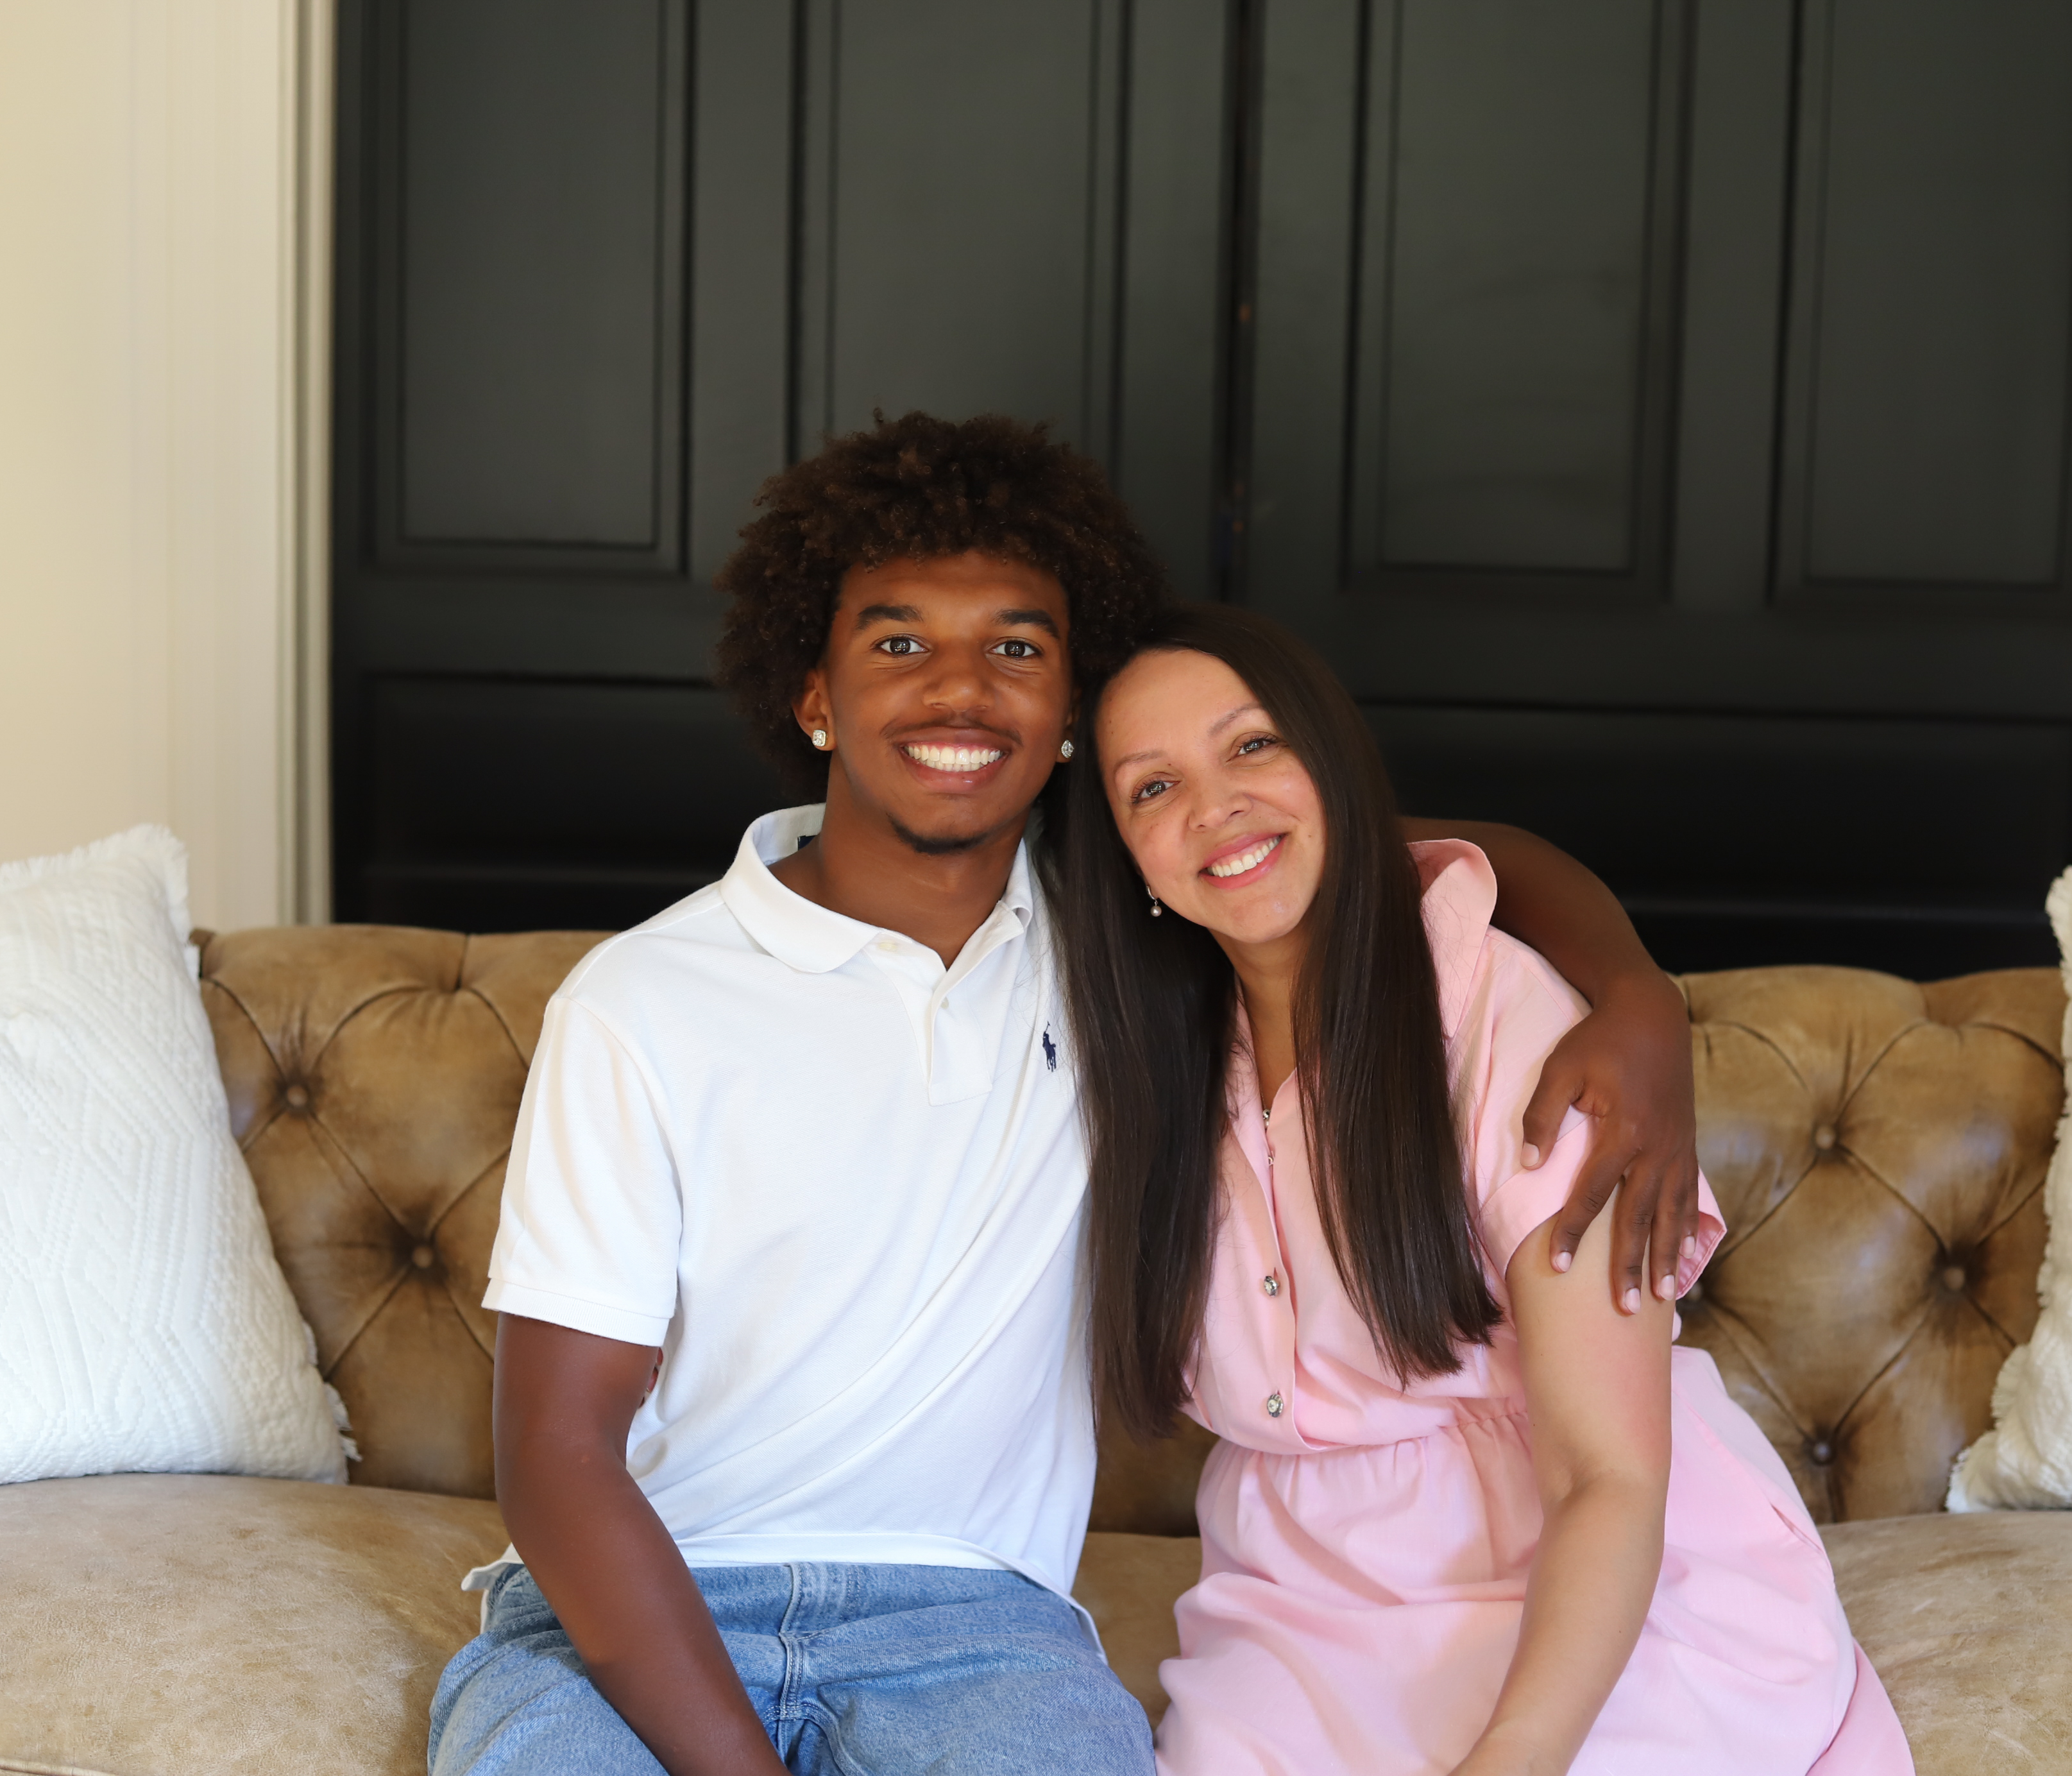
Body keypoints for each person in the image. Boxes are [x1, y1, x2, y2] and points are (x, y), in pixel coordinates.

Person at [425, 414, 1708, 1776]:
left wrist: (1637, 1003)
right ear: (813, 694)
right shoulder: (640, 1000)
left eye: (1018, 648)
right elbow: (559, 1452)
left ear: (1070, 721)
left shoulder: (1141, 933)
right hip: (640, 1607)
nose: (960, 690)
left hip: (978, 1630)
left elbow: (1417, 858)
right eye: (899, 641)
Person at [1058, 604, 1915, 1775]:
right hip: (1295, 1604)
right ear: (1124, 855)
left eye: (1253, 745)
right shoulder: (1140, 1056)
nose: (1215, 807)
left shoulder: (1502, 1015)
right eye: (1152, 787)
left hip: (1589, 1571)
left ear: (1338, 767)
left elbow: (1608, 1475)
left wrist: (1513, 1757)